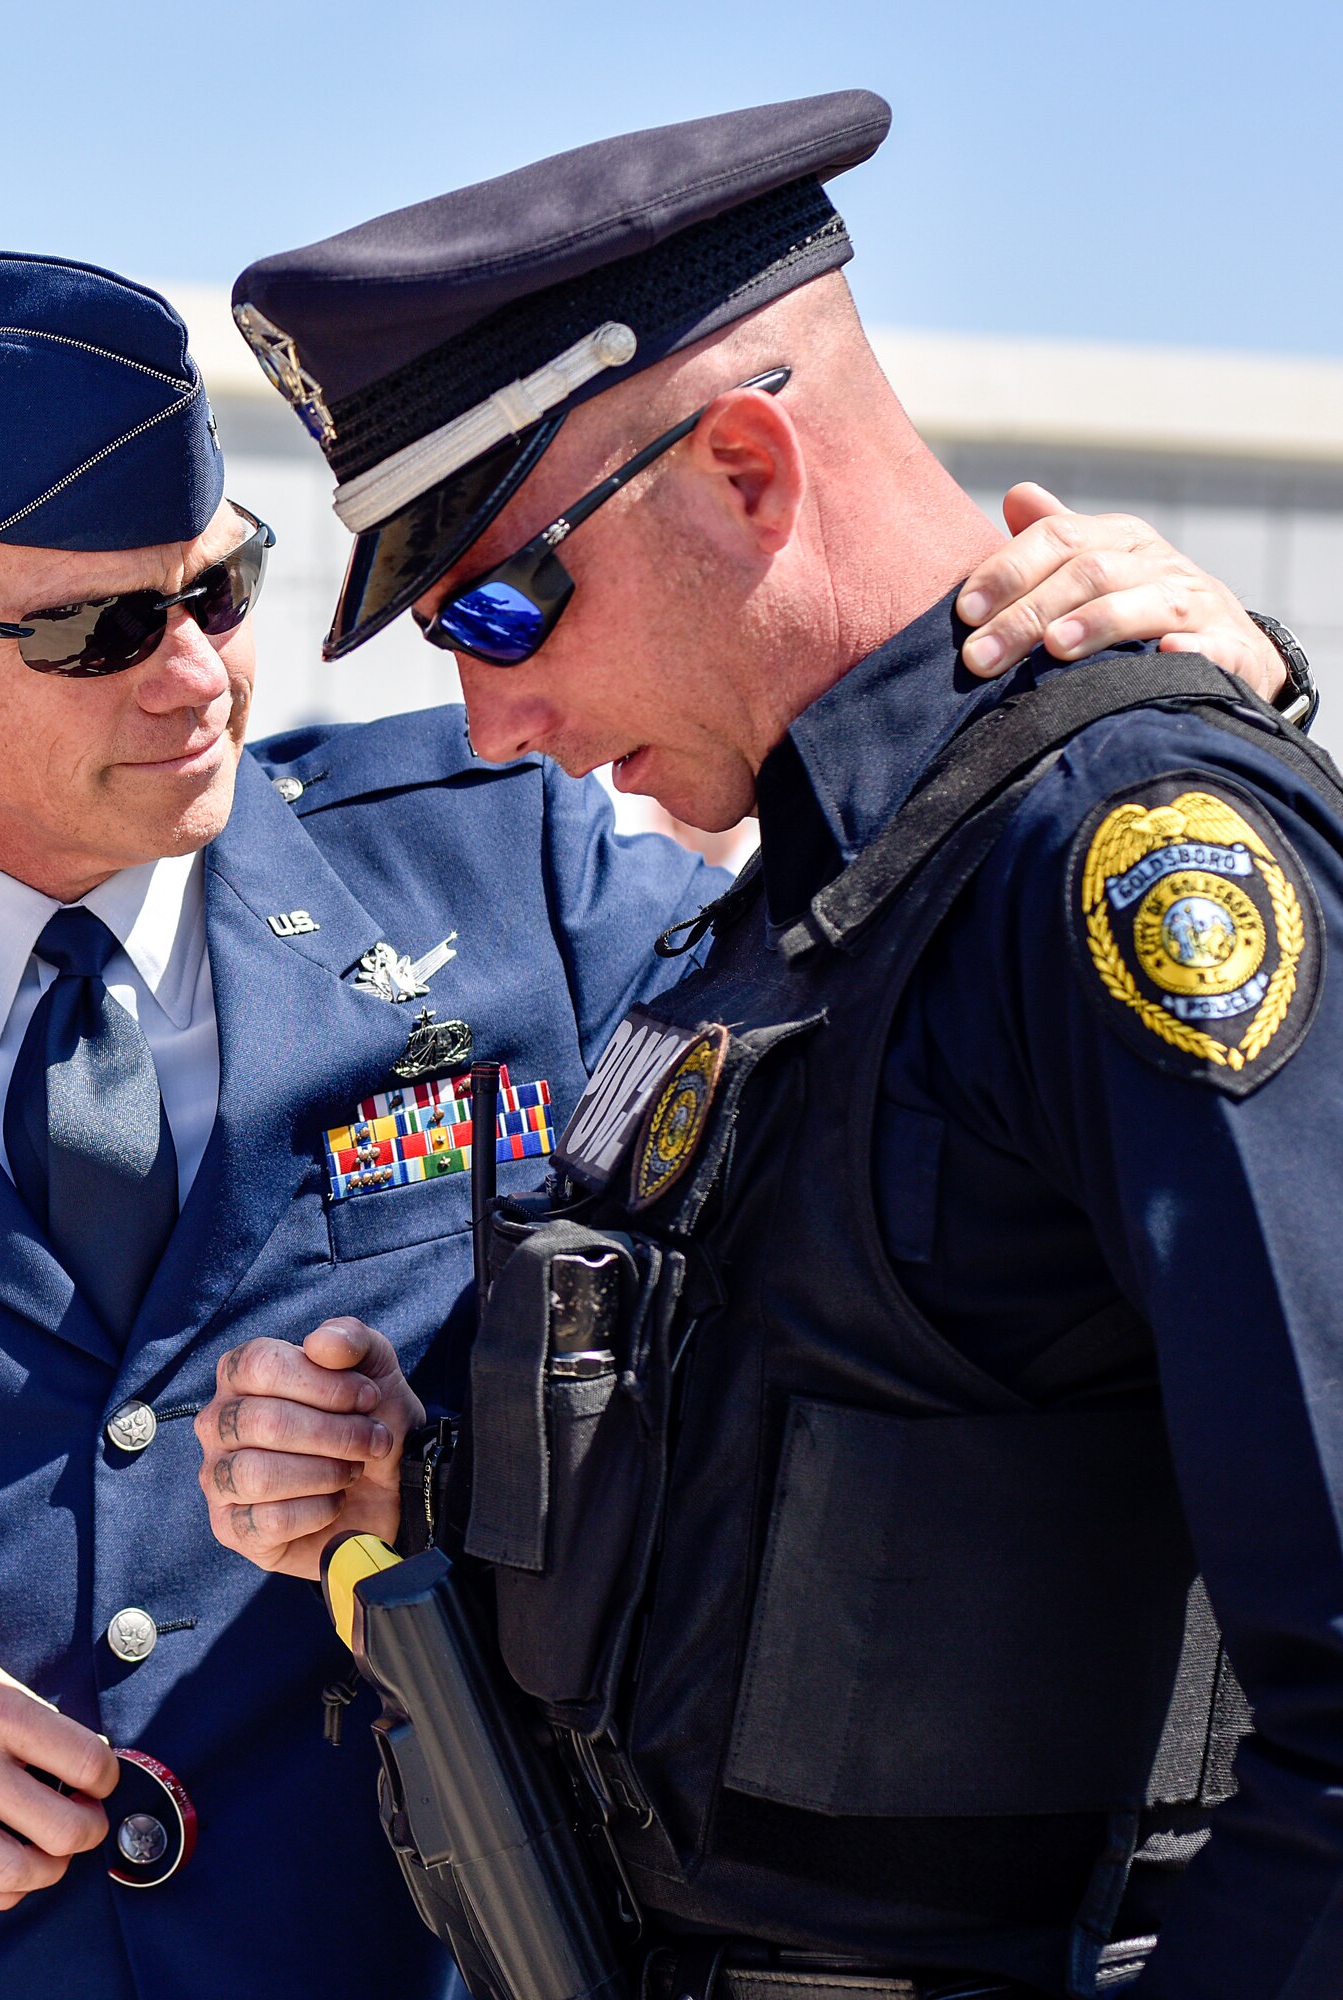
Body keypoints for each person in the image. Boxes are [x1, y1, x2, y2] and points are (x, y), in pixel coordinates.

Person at [0, 252, 1279, 2000]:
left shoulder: (508, 867)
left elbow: (915, 992)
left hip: (376, 1945)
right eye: (95, 634)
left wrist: (1172, 699)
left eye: (216, 593)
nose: (194, 680)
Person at [199, 92, 1340, 2000]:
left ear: (741, 464)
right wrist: (428, 1490)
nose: (490, 725)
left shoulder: (1113, 856)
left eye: (498, 602)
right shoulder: (770, 920)